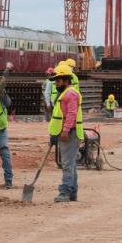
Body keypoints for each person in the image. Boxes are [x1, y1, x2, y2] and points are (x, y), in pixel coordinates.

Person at [48, 64, 83, 202]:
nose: (56, 83)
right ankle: (72, 192)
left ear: (66, 80)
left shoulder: (71, 94)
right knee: (71, 164)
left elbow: (71, 114)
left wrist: (65, 130)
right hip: (63, 132)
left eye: (58, 80)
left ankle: (65, 192)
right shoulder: (63, 93)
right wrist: (53, 134)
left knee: (67, 164)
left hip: (69, 133)